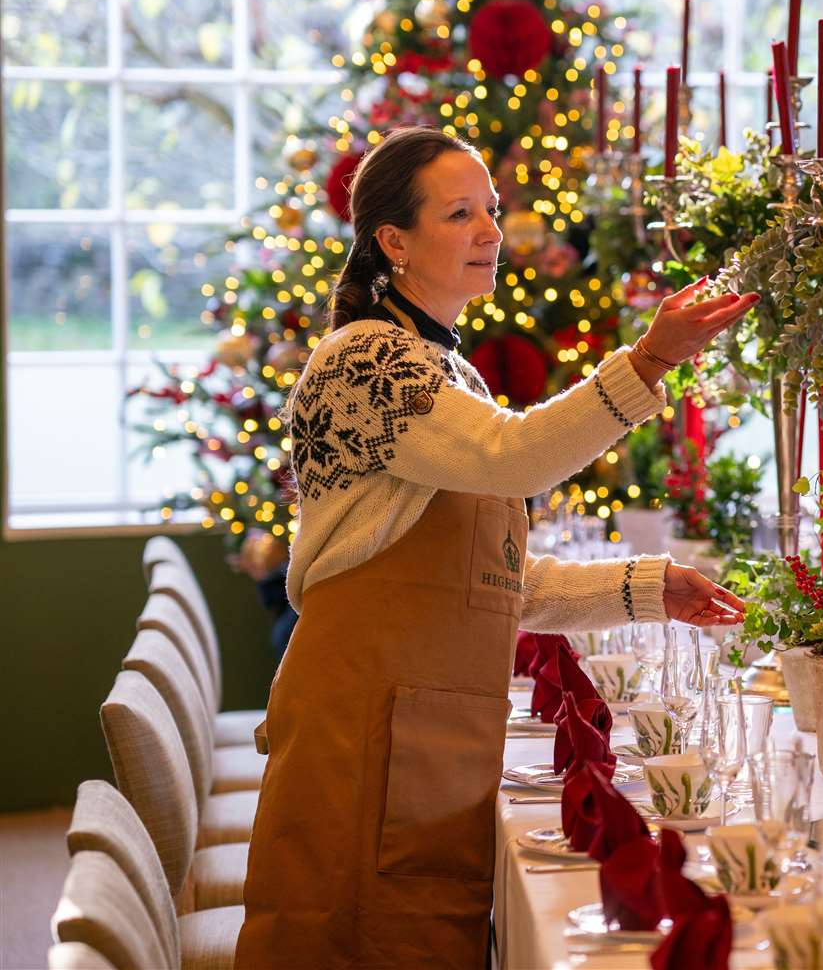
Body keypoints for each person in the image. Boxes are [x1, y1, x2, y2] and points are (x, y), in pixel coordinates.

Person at [236, 126, 756, 967]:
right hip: (364, 724)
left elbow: (490, 584)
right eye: (459, 214)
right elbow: (514, 453)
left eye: (493, 210)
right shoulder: (366, 361)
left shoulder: (449, 373)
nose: (490, 230)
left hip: (431, 726)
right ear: (393, 242)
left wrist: (644, 588)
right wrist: (649, 359)